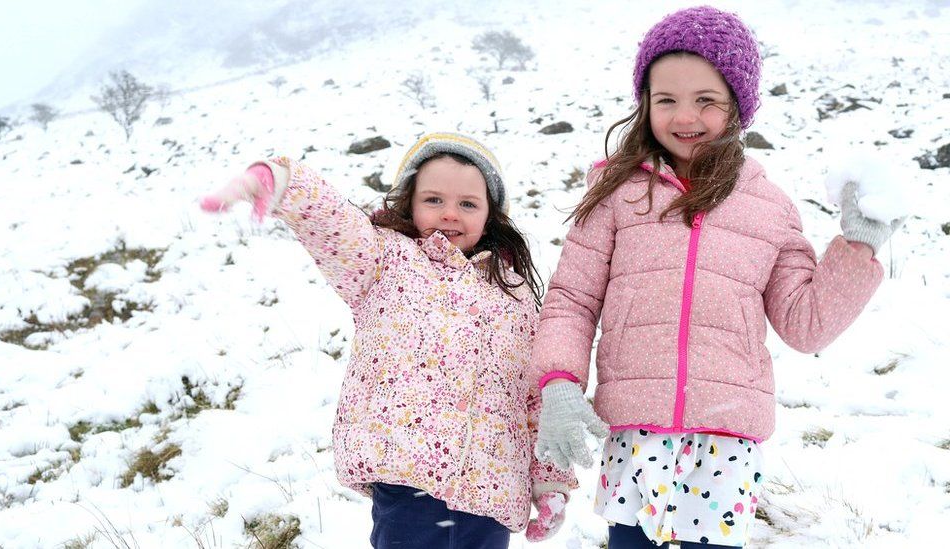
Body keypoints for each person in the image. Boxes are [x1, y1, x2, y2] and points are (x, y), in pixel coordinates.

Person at [529, 6, 903, 548]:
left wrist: (858, 245)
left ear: (738, 105)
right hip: (637, 431)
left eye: (707, 100)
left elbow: (806, 325)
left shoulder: (769, 206)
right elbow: (571, 301)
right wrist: (560, 381)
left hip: (726, 438)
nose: (686, 116)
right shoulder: (616, 195)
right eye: (667, 100)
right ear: (645, 105)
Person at [200, 132, 575, 548]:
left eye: (468, 204)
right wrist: (281, 180)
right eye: (434, 200)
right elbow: (332, 222)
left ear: (491, 215)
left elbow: (531, 396)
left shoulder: (514, 293)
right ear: (409, 203)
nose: (450, 214)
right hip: (406, 480)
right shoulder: (383, 261)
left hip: (491, 492)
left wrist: (551, 481)